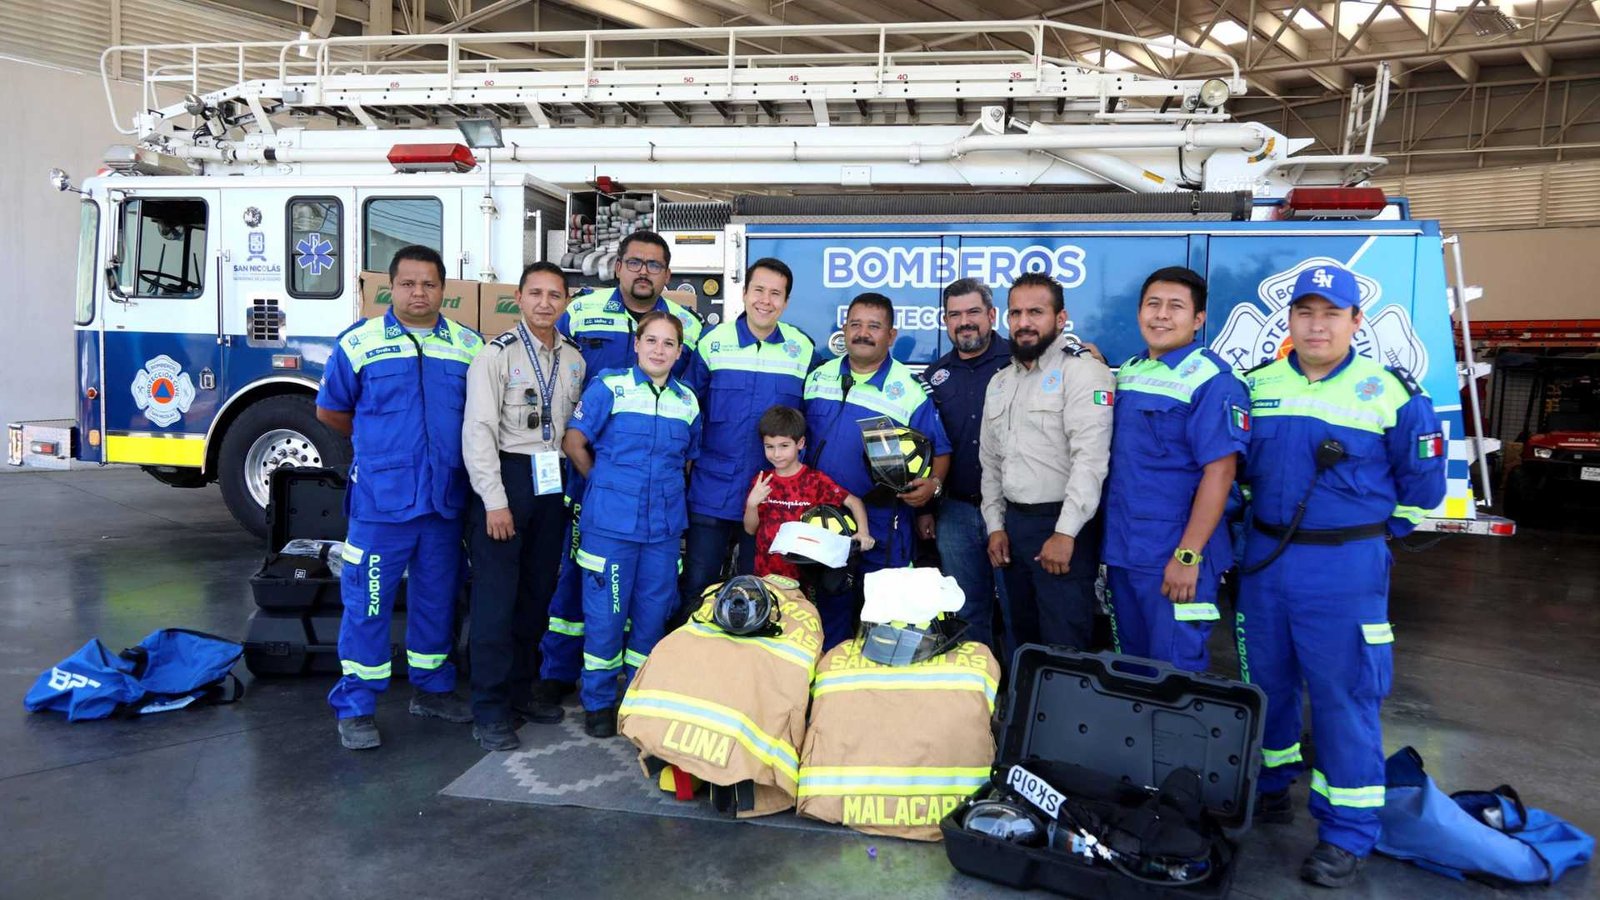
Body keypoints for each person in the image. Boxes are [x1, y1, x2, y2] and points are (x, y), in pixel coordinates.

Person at [1237, 264, 1446, 888]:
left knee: (1344, 697)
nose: (1317, 324)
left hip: (1344, 569)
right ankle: (1270, 788)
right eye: (1305, 313)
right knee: (1265, 685)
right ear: (1290, 321)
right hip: (1266, 562)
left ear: (1356, 322)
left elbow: (1423, 489)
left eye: (1331, 313)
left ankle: (1347, 831)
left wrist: (1370, 541)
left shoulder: (1392, 394)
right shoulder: (1257, 385)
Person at [315, 245, 482, 751]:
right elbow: (332, 412)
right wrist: (381, 450)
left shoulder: (468, 346)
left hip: (444, 502)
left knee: (436, 600)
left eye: (429, 284)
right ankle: (357, 705)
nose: (418, 293)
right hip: (380, 505)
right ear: (391, 288)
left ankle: (431, 688)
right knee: (367, 604)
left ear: (444, 289)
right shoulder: (359, 343)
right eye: (408, 283)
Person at [533, 231, 704, 709]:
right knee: (577, 585)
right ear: (619, 266)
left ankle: (637, 697)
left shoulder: (686, 329)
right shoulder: (582, 312)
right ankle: (559, 674)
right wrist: (602, 481)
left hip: (656, 509)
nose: (643, 271)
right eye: (635, 262)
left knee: (649, 603)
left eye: (654, 264)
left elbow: (688, 450)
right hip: (593, 486)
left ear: (667, 275)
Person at [461, 261, 584, 751]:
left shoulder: (574, 360)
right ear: (518, 296)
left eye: (555, 295)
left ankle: (520, 690)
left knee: (537, 595)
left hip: (551, 483)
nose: (545, 303)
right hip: (507, 480)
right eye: (535, 293)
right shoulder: (495, 356)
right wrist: (494, 501)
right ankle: (489, 708)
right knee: (495, 599)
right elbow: (479, 432)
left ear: (566, 301)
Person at [562, 310, 702, 738]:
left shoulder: (688, 401)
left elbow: (688, 461)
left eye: (669, 344)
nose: (659, 350)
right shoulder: (609, 386)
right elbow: (574, 441)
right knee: (605, 616)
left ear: (679, 353)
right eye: (652, 341)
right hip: (612, 529)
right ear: (637, 344)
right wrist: (603, 483)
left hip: (661, 531)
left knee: (651, 617)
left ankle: (637, 700)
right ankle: (600, 702)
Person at [1103, 266, 1249, 673]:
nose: (1161, 315)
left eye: (1175, 307)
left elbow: (1220, 474)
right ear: (1138, 313)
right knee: (1130, 668)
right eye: (1153, 304)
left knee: (1174, 674)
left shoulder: (1212, 380)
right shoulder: (1132, 371)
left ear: (1198, 320)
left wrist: (1188, 556)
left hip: (1175, 554)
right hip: (1127, 550)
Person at [801, 292, 951, 648]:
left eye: (874, 326)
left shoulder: (910, 391)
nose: (863, 333)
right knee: (826, 620)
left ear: (891, 335)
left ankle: (870, 697)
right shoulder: (818, 377)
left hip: (885, 526)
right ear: (844, 329)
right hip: (826, 523)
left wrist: (933, 486)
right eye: (855, 324)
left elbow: (941, 451)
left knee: (881, 624)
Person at [979, 272, 1114, 654]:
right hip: (1014, 528)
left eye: (1036, 312)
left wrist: (1066, 532)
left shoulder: (1083, 372)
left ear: (1060, 319)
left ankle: (1067, 715)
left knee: (1064, 643)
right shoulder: (1000, 382)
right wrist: (995, 526)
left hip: (1063, 526)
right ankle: (1025, 714)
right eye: (1016, 313)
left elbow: (1090, 460)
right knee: (1021, 637)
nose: (1023, 323)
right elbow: (990, 463)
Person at [682, 258, 815, 608]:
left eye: (776, 293)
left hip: (774, 497)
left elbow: (810, 422)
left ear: (786, 302)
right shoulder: (713, 343)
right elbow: (687, 412)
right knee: (698, 585)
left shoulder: (802, 350)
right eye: (758, 290)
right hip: (713, 491)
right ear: (743, 293)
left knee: (761, 593)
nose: (765, 300)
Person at [918, 277, 1012, 657]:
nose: (965, 322)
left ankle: (1022, 699)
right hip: (954, 511)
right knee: (967, 609)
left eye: (973, 312)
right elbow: (924, 449)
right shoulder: (934, 377)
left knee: (1017, 606)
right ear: (945, 322)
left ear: (991, 315)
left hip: (1009, 512)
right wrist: (925, 508)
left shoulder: (1019, 363)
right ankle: (981, 698)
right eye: (955, 315)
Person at [743, 405, 874, 582]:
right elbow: (750, 530)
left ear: (800, 443)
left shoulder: (814, 480)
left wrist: (863, 533)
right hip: (766, 575)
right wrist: (752, 504)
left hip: (805, 578)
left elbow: (854, 502)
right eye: (769, 446)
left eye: (784, 446)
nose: (776, 453)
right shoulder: (762, 481)